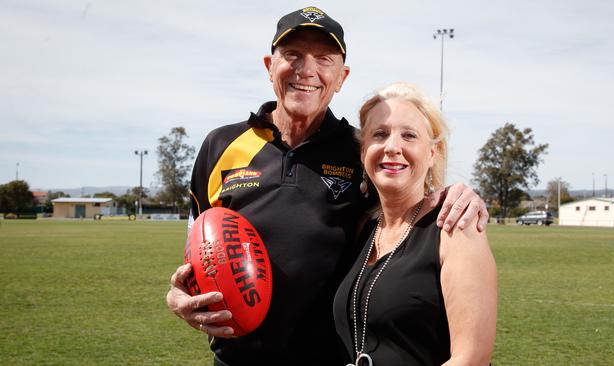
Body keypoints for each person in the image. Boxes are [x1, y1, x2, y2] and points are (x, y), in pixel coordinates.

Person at [166, 6, 489, 366]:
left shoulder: (361, 151)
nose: (307, 70)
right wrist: (179, 295)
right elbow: (197, 246)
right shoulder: (220, 145)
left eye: (324, 59)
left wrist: (460, 194)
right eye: (292, 55)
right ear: (269, 66)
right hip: (234, 359)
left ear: (341, 77)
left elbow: (406, 197)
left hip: (328, 358)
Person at [333, 82, 497, 366]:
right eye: (380, 134)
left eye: (409, 135)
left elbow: (471, 359)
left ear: (433, 153)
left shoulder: (455, 229)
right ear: (363, 151)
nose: (392, 147)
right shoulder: (363, 229)